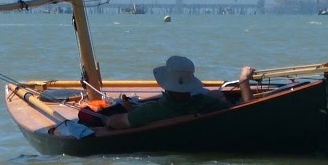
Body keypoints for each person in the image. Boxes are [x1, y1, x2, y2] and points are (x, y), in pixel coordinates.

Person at [102, 56, 255, 130]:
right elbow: (245, 110)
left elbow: (114, 122)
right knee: (215, 93)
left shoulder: (153, 112)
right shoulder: (205, 103)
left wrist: (128, 115)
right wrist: (244, 81)